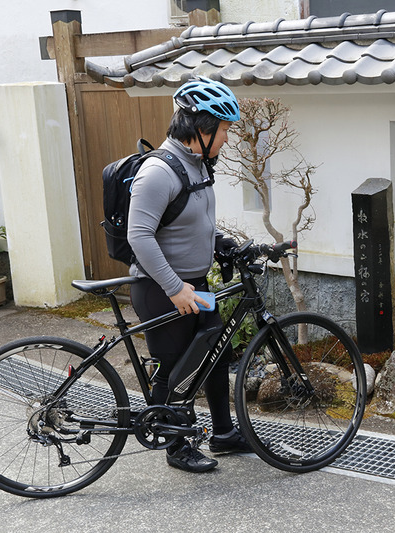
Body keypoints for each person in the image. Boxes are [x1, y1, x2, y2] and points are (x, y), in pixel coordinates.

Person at [127, 77, 248, 473]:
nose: (227, 140)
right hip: (163, 288)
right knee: (176, 366)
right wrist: (175, 287)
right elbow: (139, 236)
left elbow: (196, 223)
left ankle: (225, 434)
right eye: (225, 130)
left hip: (196, 285)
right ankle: (176, 446)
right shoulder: (159, 171)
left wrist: (224, 243)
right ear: (203, 128)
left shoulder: (196, 166)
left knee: (215, 352)